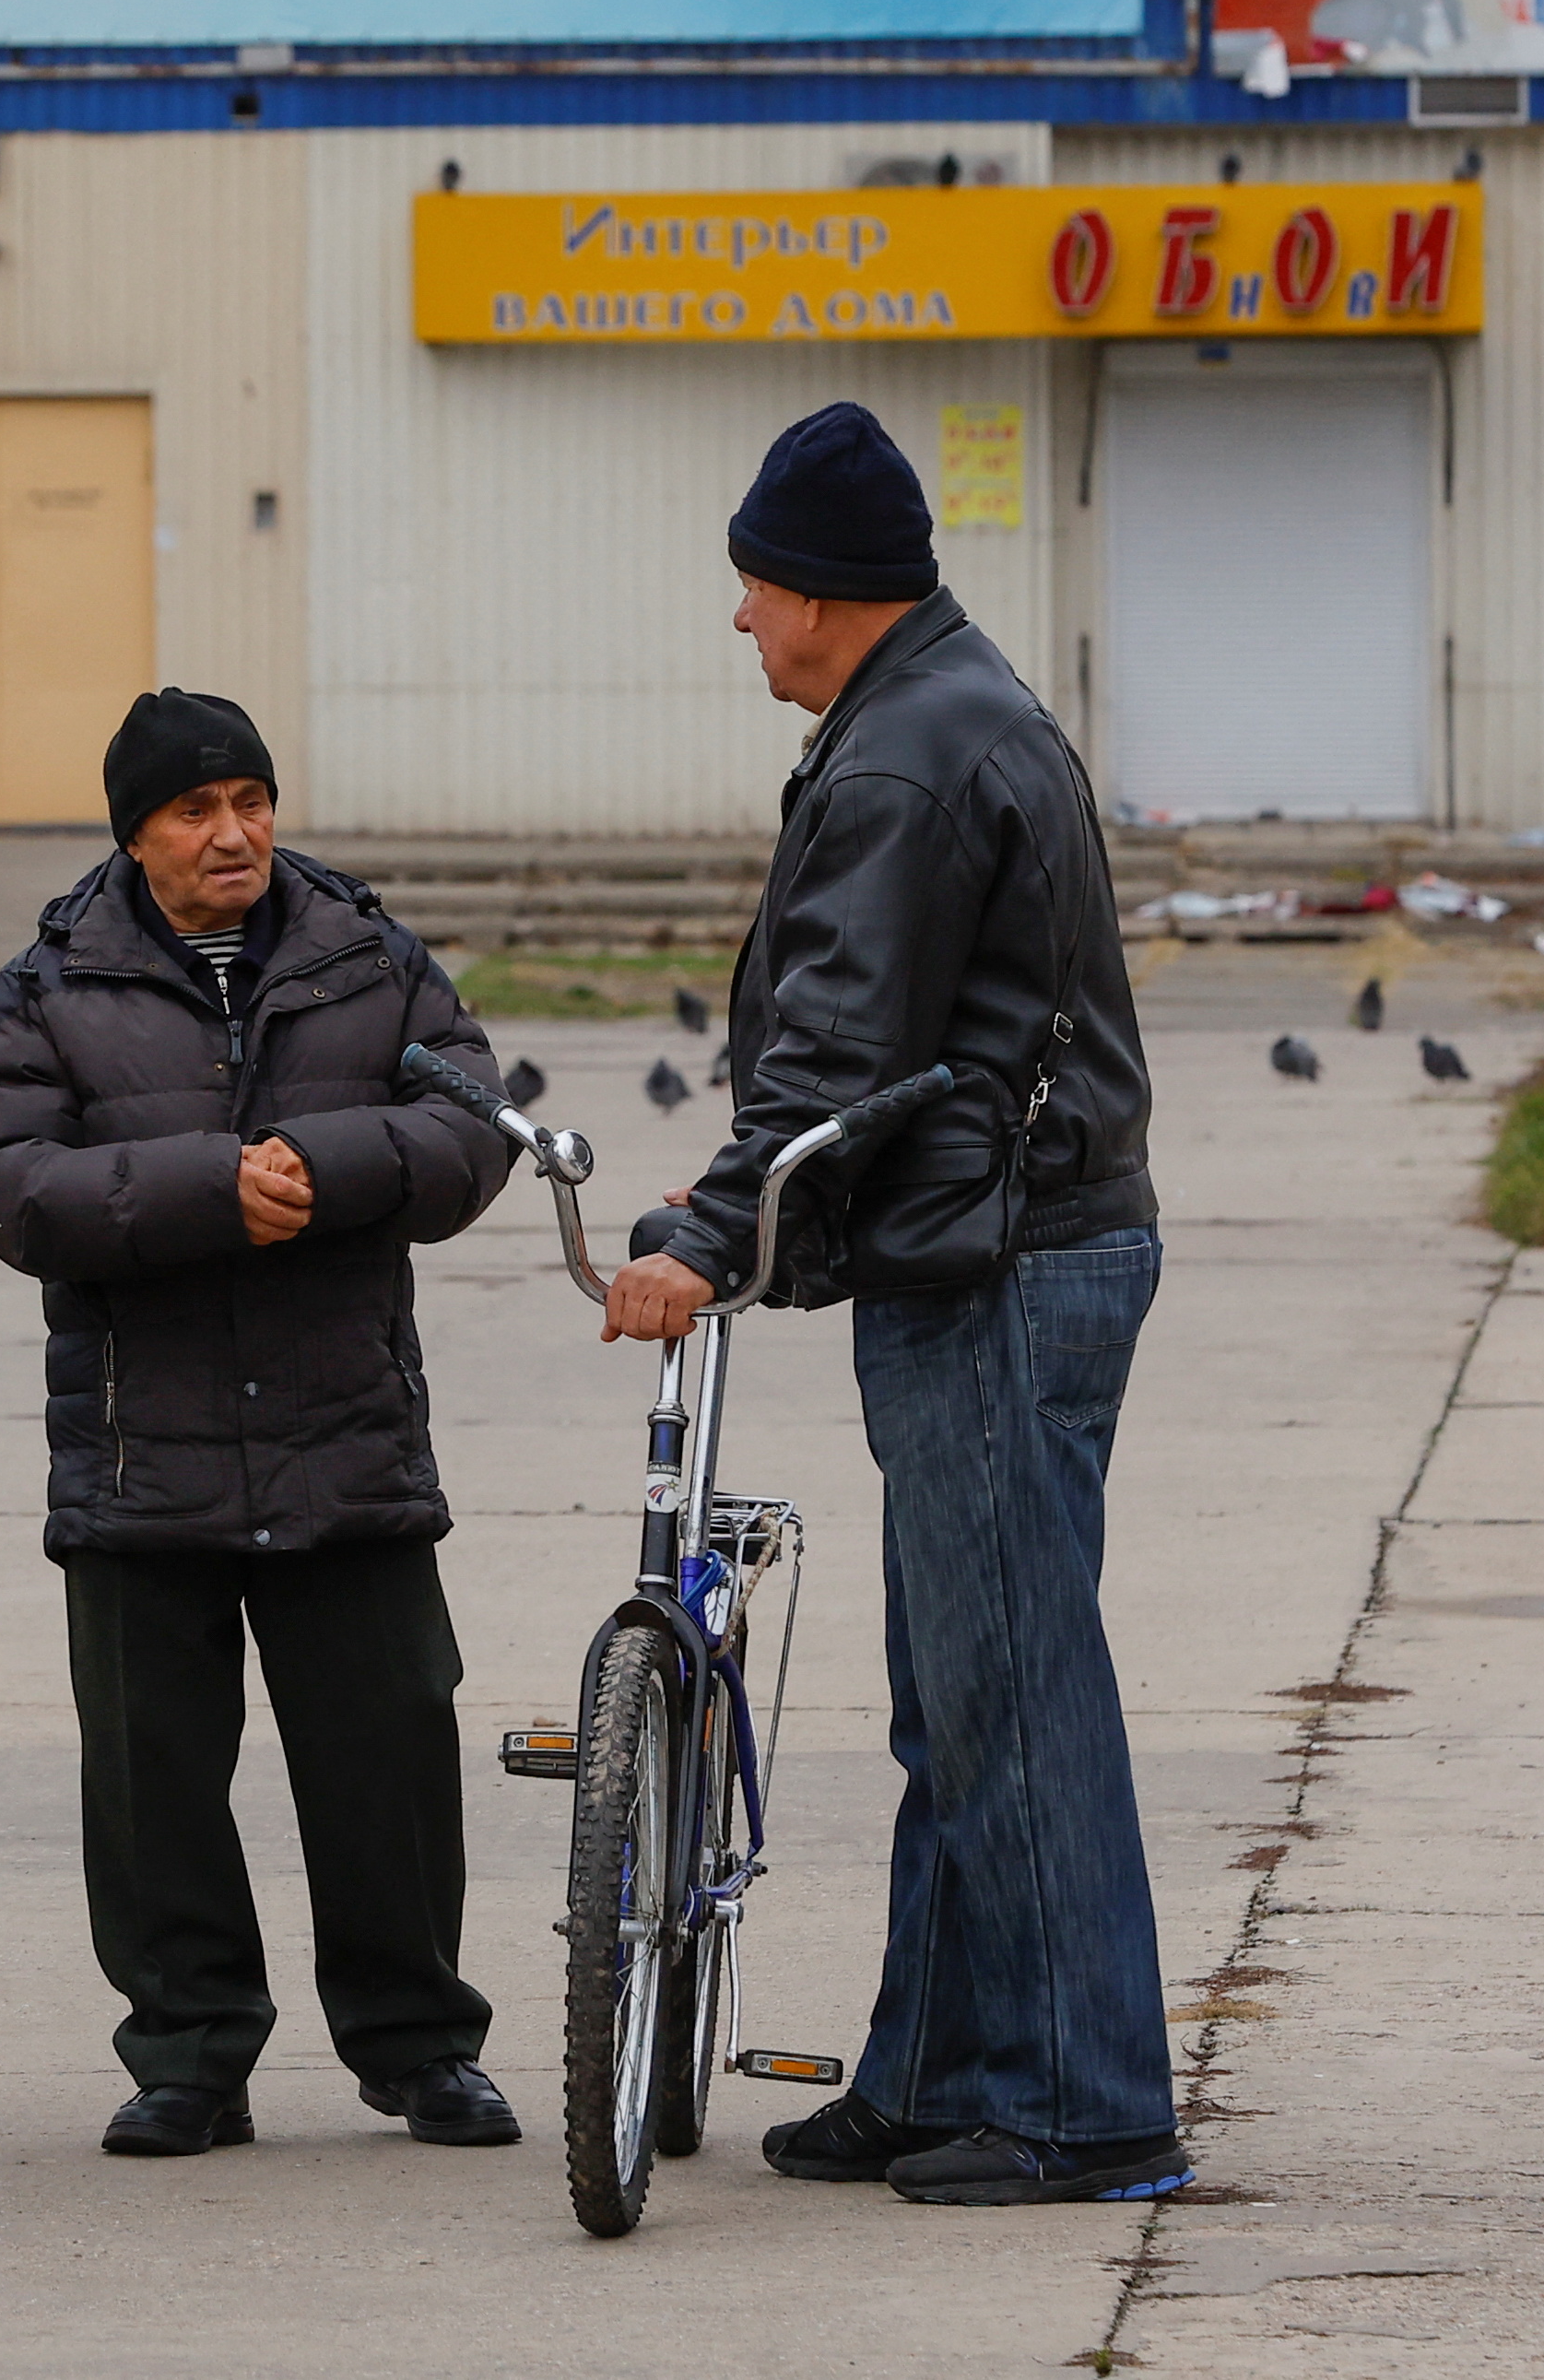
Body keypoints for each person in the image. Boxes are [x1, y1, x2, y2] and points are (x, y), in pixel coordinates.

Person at [596, 403, 1185, 2210]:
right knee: (957, 1692)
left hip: (1002, 1267)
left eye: (750, 588)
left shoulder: (901, 759)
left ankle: (1088, 2107)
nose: (738, 624)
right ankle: (934, 2068)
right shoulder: (935, 705)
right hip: (992, 1246)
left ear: (816, 592)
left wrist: (706, 1232)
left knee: (1009, 1692)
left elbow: (840, 1056)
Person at [0, 689, 524, 2161]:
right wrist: (213, 1185)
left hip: (346, 1427)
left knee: (389, 1746)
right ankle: (191, 2053)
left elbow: (474, 1130)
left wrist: (321, 1168)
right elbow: (7, 1182)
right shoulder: (49, 983)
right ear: (134, 831)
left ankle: (419, 2047)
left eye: (251, 799)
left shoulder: (368, 955)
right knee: (151, 1776)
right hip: (147, 1444)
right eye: (196, 809)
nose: (233, 832)